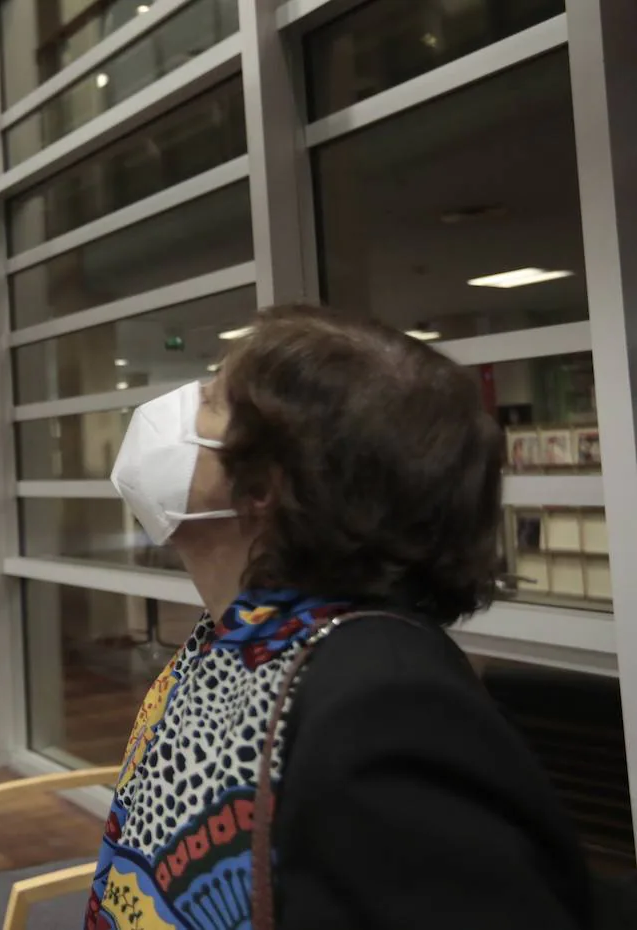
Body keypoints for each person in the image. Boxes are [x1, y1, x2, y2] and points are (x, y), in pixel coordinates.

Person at [95, 305, 593, 929]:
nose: (178, 408)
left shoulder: (387, 704)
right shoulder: (236, 636)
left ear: (266, 482)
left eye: (212, 398)